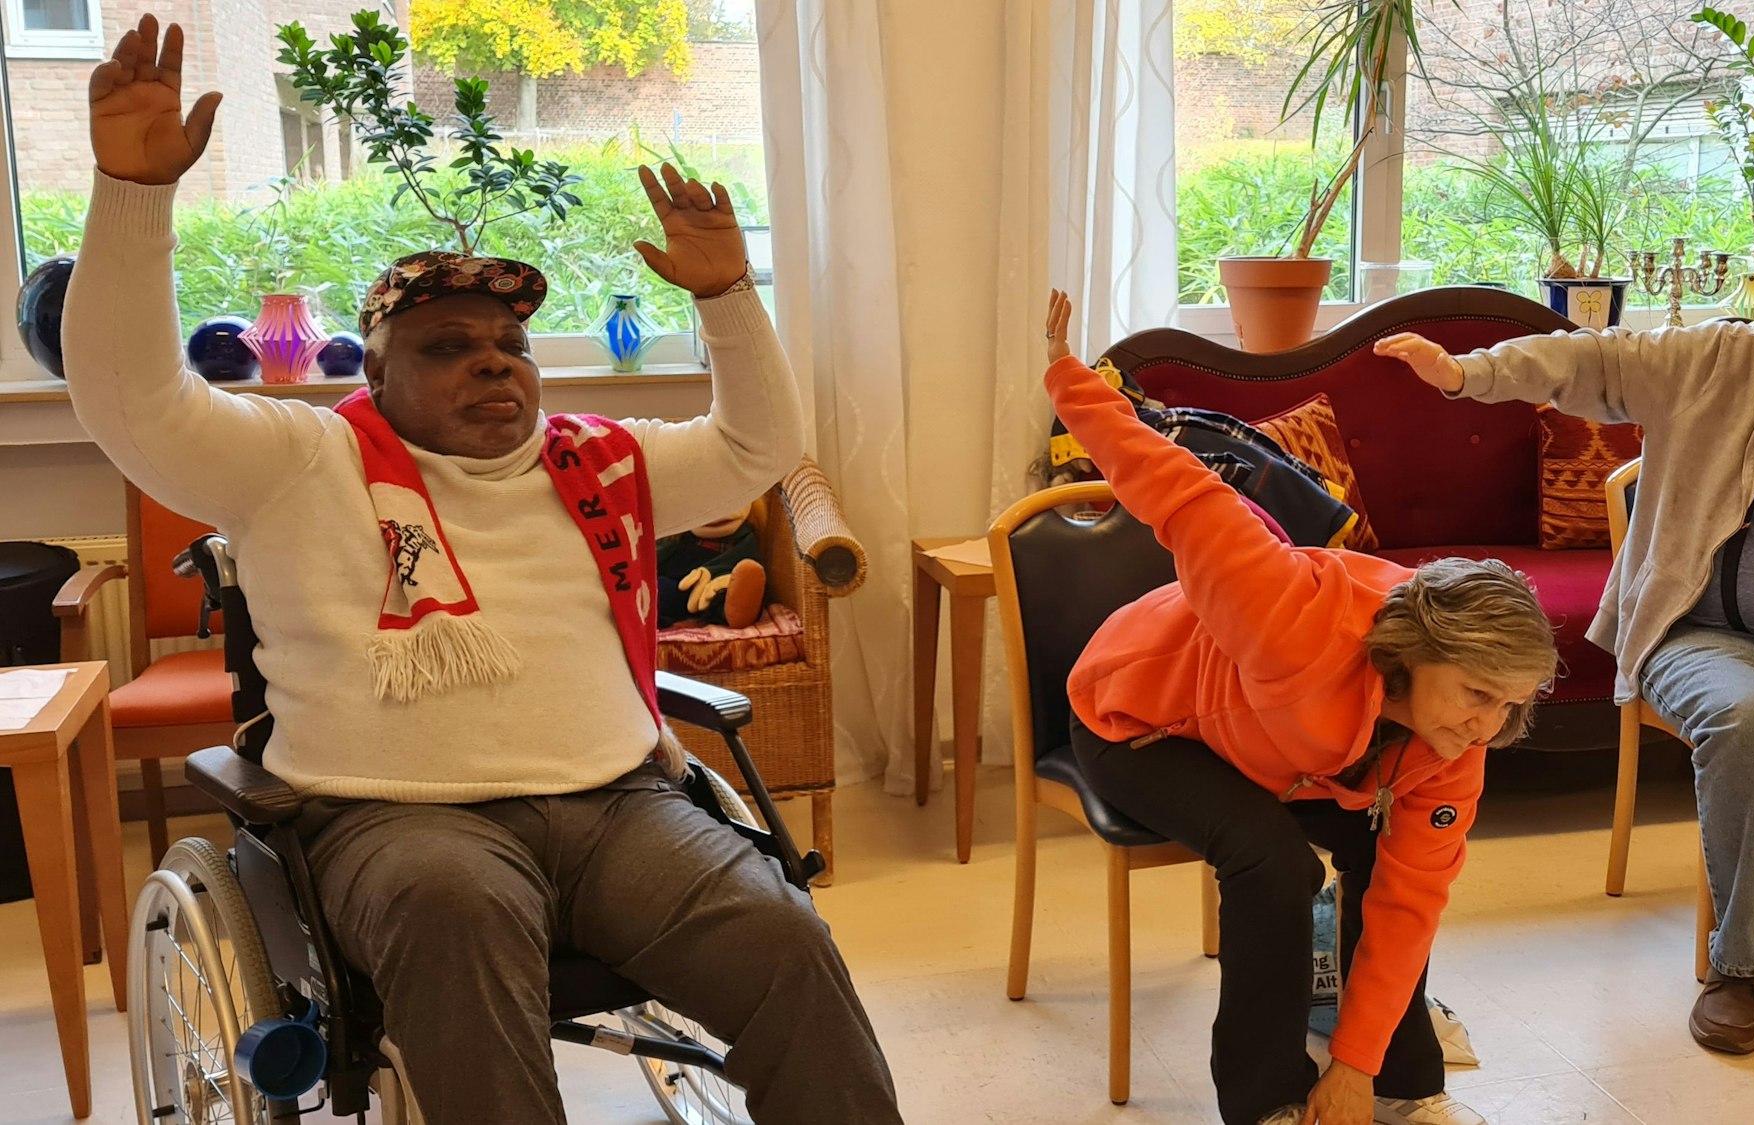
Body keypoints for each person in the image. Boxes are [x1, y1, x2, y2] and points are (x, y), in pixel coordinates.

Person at [64, 16, 902, 1125]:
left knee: (786, 942)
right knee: (455, 917)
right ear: (376, 370)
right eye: (447, 347)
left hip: (616, 804)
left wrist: (726, 298)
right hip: (393, 820)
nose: (491, 362)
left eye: (506, 345)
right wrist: (131, 196)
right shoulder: (296, 459)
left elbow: (757, 450)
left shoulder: (602, 462)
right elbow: (132, 400)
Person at [1376, 228, 1754, 1056]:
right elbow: (1597, 361)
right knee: (1750, 720)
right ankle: (1739, 968)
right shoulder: (1729, 362)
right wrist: (1466, 374)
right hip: (1705, 636)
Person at [1042, 291, 1559, 1125]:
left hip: (1301, 750)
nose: (1487, 727)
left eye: (1508, 706)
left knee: (1397, 862)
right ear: (1416, 655)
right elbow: (1177, 489)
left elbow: (1409, 902)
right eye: (1476, 696)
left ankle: (1398, 1077)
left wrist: (1353, 1068)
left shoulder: (1462, 733)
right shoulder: (1294, 615)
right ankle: (1268, 1100)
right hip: (1138, 719)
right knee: (1275, 862)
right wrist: (1068, 378)